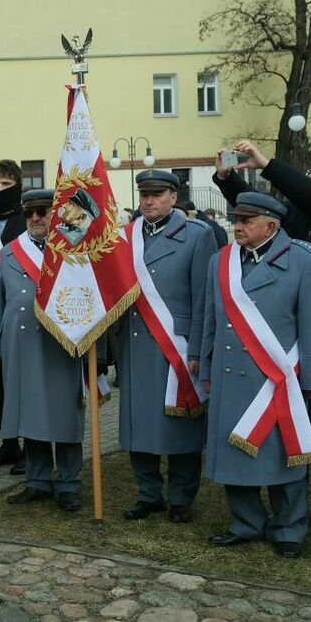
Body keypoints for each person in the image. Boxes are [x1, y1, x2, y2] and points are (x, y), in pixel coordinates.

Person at [214, 140, 311, 536]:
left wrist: (267, 164)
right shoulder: (296, 217)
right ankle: (277, 509)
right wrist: (228, 179)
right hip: (272, 342)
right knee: (283, 429)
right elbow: (263, 216)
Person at [200, 193, 311, 559]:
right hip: (230, 375)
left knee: (284, 452)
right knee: (233, 451)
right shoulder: (220, 262)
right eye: (235, 219)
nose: (236, 226)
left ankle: (289, 527)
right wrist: (206, 366)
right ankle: (245, 523)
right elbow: (211, 318)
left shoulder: (304, 259)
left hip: (277, 378)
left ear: (271, 225)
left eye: (246, 220)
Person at [115, 172, 216, 523]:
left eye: (157, 194)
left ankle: (181, 497)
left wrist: (199, 351)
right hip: (135, 344)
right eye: (144, 194)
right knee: (139, 422)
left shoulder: (197, 236)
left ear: (174, 196)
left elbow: (206, 300)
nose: (148, 201)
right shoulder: (125, 238)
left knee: (181, 426)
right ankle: (148, 493)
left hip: (178, 345)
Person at [0, 190, 87, 512]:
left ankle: (69, 482)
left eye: (42, 212)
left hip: (61, 343)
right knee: (30, 414)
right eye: (30, 213)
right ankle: (38, 480)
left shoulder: (72, 250)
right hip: (21, 344)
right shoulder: (9, 252)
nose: (35, 219)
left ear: (54, 214)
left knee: (65, 415)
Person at [0, 159, 29, 469]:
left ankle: (30, 445)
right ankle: (9, 441)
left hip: (20, 309)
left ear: (18, 186)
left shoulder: (29, 220)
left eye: (7, 185)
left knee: (22, 381)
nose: (1, 190)